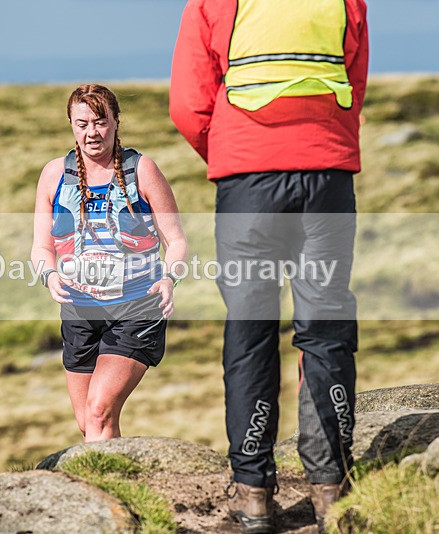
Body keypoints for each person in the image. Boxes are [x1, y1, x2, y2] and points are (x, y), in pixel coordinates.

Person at [170, 0, 368, 532]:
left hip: (247, 184)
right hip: (326, 176)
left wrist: (234, 150)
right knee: (325, 327)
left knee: (251, 329)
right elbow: (355, 85)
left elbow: (188, 105)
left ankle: (254, 494)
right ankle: (330, 490)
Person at [31, 84, 187, 443]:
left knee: (100, 410)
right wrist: (49, 274)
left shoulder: (141, 169)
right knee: (90, 423)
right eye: (81, 123)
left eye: (100, 122)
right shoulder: (54, 174)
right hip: (79, 312)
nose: (91, 133)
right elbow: (40, 248)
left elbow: (176, 241)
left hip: (137, 306)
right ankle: (120, 484)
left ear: (117, 121)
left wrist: (169, 279)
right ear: (70, 124)